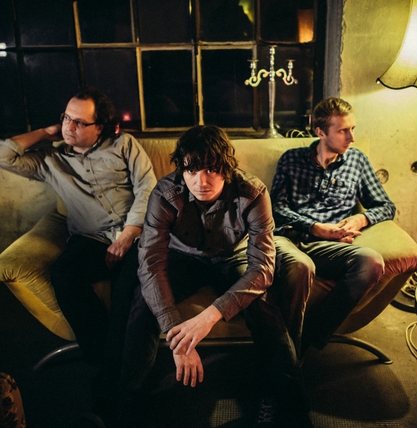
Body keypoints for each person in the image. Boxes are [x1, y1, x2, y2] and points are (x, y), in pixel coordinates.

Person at [0, 86, 157, 427]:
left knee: (127, 295)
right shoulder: (51, 160)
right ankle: (106, 357)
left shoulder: (124, 145)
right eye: (66, 118)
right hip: (90, 240)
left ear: (100, 126)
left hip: (135, 236)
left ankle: (108, 390)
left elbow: (147, 188)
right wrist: (44, 132)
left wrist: (128, 235)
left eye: (79, 122)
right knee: (64, 274)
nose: (69, 127)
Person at [123, 125, 312, 427]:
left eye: (211, 170)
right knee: (144, 301)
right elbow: (151, 264)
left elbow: (262, 268)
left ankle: (289, 407)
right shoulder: (166, 193)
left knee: (264, 307)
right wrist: (178, 336)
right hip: (183, 258)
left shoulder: (252, 192)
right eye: (191, 170)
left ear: (227, 167)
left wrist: (210, 316)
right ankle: (127, 403)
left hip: (233, 256)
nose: (201, 181)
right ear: (182, 169)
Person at [270, 97, 396, 353]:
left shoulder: (357, 161)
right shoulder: (291, 160)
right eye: (343, 131)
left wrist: (361, 218)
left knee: (371, 262)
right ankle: (288, 353)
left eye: (353, 129)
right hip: (291, 239)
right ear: (320, 132)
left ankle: (308, 340)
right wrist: (314, 226)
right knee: (300, 266)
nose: (351, 138)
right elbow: (276, 209)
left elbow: (386, 206)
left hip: (330, 247)